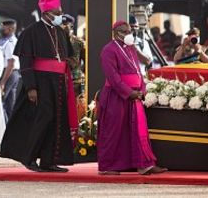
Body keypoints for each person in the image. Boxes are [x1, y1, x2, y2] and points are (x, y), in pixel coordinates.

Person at [1, 0, 77, 173]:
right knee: (42, 120)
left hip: (58, 83)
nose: (60, 15)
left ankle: (49, 161)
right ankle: (29, 158)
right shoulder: (31, 32)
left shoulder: (60, 31)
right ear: (47, 13)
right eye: (57, 12)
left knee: (56, 121)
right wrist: (31, 87)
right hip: (40, 83)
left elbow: (69, 56)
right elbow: (26, 62)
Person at [98, 20, 166, 175]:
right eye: (125, 31)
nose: (129, 34)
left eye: (130, 31)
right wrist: (129, 93)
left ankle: (144, 165)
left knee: (138, 131)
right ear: (116, 33)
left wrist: (142, 88)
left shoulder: (131, 48)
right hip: (117, 96)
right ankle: (107, 167)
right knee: (114, 131)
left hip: (135, 95)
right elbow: (113, 77)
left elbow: (138, 71)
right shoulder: (108, 50)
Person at [0, 19, 20, 120]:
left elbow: (11, 63)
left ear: (11, 29)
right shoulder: (7, 41)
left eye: (4, 27)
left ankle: (5, 128)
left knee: (1, 101)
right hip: (11, 73)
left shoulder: (10, 42)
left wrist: (2, 82)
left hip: (9, 73)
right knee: (10, 103)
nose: (2, 29)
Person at [62, 14, 86, 98]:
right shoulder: (53, 41)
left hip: (75, 81)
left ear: (71, 27)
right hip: (59, 81)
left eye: (65, 25)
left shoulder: (78, 43)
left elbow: (87, 61)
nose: (63, 27)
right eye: (61, 24)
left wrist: (82, 75)